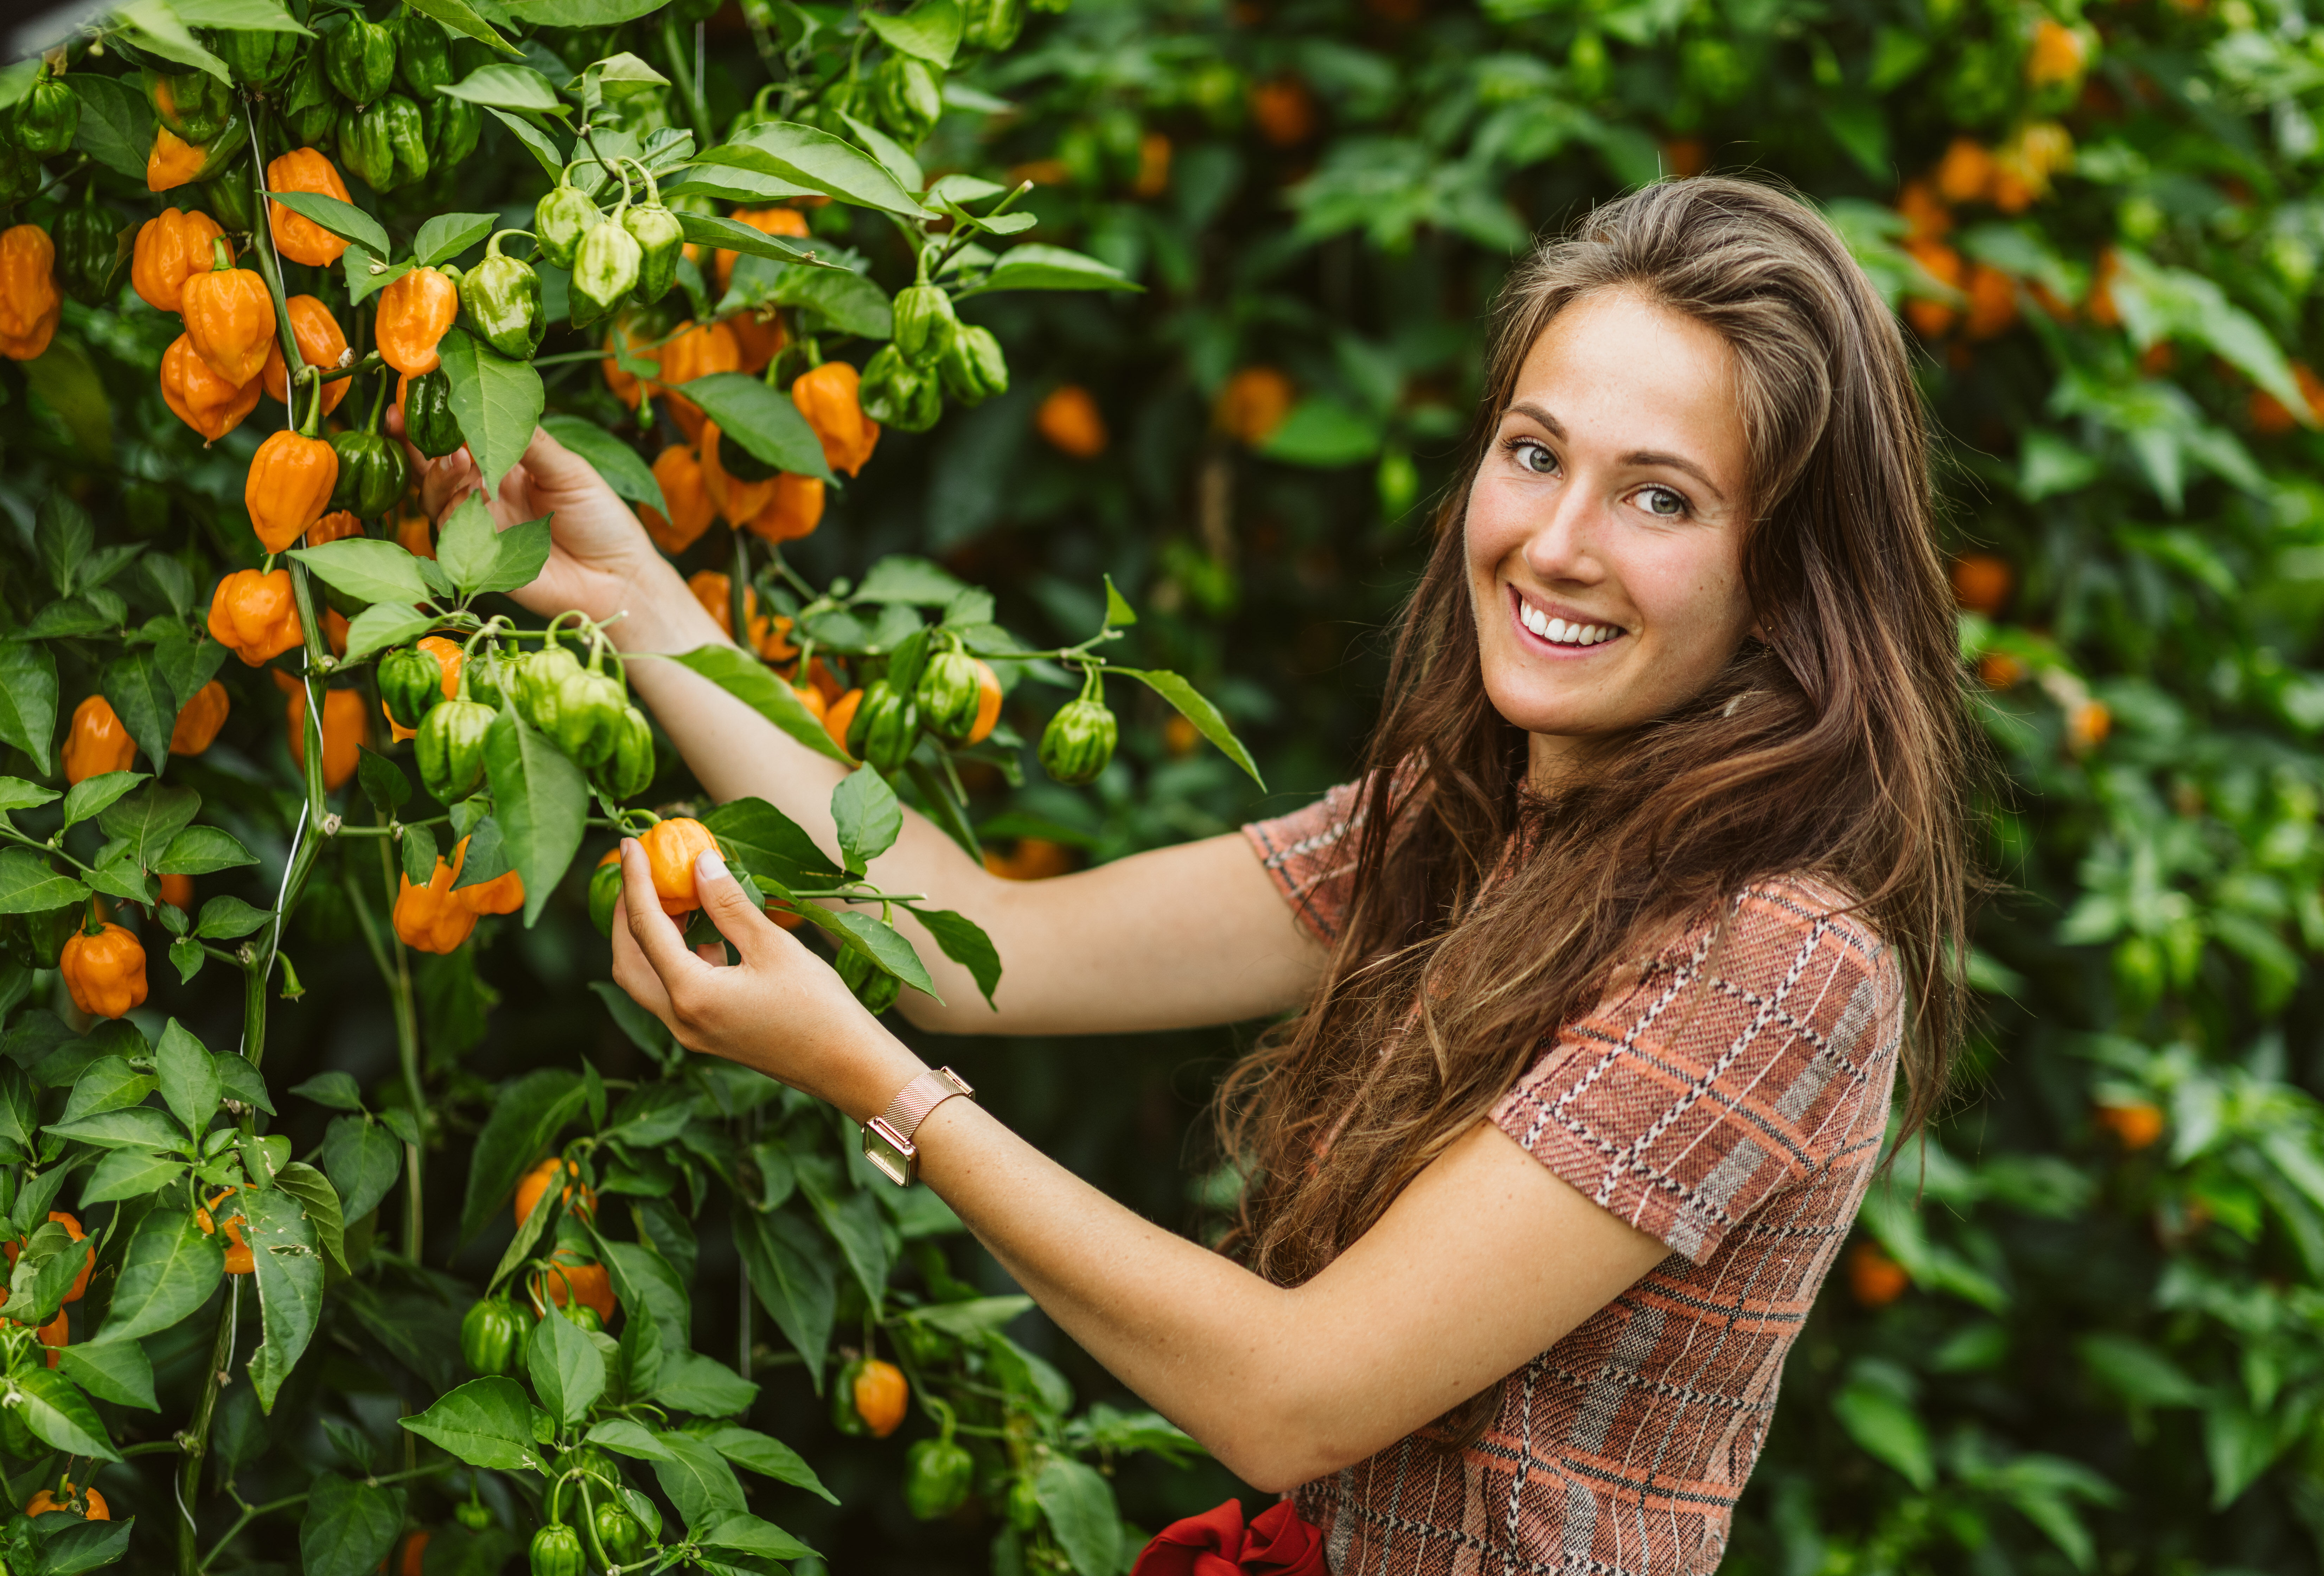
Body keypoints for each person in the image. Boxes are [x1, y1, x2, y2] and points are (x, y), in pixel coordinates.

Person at [415, 176, 1971, 1574]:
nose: (1554, 542)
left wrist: (877, 1084)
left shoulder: (1776, 955)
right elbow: (982, 943)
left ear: (1784, 577)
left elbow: (1289, 1397)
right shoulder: (1464, 818)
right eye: (1532, 452)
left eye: (1658, 497)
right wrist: (638, 608)